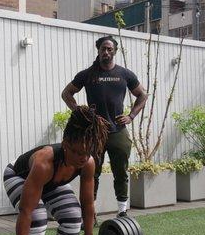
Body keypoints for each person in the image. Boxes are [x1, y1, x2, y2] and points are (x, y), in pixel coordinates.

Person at [3, 106, 109, 235]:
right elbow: (26, 211)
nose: (82, 158)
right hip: (19, 176)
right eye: (77, 152)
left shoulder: (87, 162)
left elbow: (87, 202)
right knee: (37, 215)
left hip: (51, 183)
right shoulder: (45, 162)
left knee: (73, 215)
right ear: (65, 143)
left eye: (87, 153)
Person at [62, 35, 148, 218]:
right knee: (91, 173)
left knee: (121, 172)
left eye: (109, 49)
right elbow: (66, 93)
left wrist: (131, 116)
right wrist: (78, 111)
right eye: (103, 49)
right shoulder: (87, 74)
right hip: (94, 134)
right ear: (98, 51)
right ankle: (89, 212)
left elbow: (142, 95)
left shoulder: (125, 74)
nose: (106, 52)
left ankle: (122, 211)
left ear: (115, 52)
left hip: (118, 132)